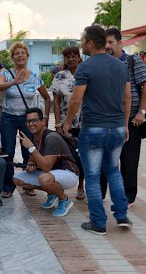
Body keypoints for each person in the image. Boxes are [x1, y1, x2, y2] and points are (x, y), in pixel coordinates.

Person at [63, 25, 133, 235]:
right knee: (113, 171)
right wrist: (125, 124)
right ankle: (121, 215)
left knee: (92, 176)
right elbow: (127, 97)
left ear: (91, 43)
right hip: (117, 128)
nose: (81, 43)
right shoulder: (121, 66)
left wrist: (67, 123)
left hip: (93, 128)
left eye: (82, 40)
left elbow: (76, 99)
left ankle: (98, 223)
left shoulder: (86, 67)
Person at [100, 28, 146, 207]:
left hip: (130, 120)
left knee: (128, 161)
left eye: (111, 42)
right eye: (104, 43)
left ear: (120, 43)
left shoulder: (133, 61)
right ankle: (99, 194)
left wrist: (141, 112)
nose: (107, 46)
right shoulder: (102, 63)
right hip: (106, 120)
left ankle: (127, 198)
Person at [0, 42, 51, 199]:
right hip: (8, 118)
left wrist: (45, 118)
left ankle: (28, 185)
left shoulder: (34, 77)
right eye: (17, 53)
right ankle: (8, 186)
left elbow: (47, 97)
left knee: (30, 152)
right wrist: (14, 82)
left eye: (23, 53)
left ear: (27, 56)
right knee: (7, 152)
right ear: (12, 58)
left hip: (27, 120)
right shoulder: (5, 74)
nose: (20, 56)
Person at [13, 108, 80, 217]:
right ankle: (52, 193)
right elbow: (32, 159)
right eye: (28, 121)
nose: (31, 124)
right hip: (53, 173)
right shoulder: (36, 138)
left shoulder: (52, 137)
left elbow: (46, 167)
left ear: (43, 121)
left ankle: (64, 199)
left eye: (34, 120)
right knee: (18, 179)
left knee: (44, 178)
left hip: (69, 173)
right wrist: (31, 165)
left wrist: (30, 147)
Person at [50, 45, 85, 200]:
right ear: (64, 59)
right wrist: (58, 124)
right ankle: (60, 189)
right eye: (68, 56)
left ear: (79, 57)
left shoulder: (86, 73)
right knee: (66, 156)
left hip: (86, 123)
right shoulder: (59, 77)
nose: (71, 59)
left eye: (74, 55)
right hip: (66, 124)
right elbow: (56, 102)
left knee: (84, 156)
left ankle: (81, 186)